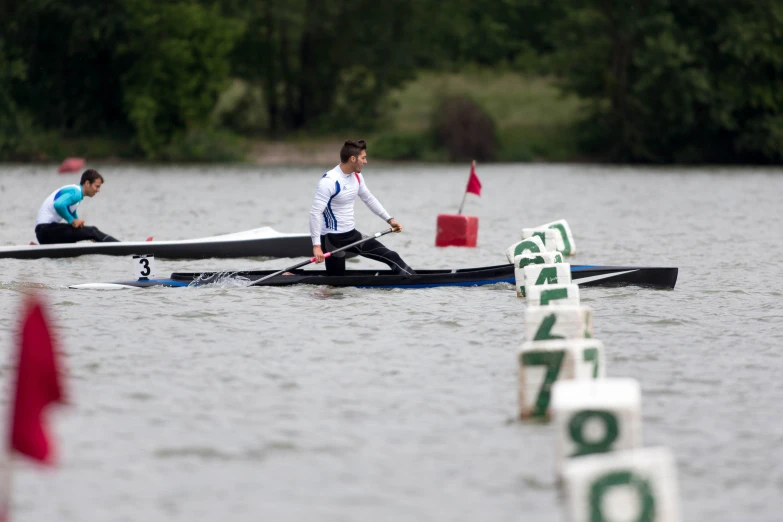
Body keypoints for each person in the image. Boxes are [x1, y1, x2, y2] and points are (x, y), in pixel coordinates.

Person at [309, 139, 415, 276]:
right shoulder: (329, 182)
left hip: (352, 235)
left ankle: (414, 280)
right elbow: (315, 213)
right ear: (353, 159)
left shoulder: (357, 177)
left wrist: (389, 219)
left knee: (392, 256)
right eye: (363, 158)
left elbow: (369, 199)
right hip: (332, 240)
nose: (366, 161)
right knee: (336, 286)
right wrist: (317, 247)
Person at [34, 169, 120, 245]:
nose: (98, 190)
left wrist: (84, 232)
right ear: (87, 183)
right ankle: (120, 247)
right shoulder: (77, 193)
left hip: (45, 232)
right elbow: (58, 205)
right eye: (97, 186)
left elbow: (72, 215)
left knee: (88, 233)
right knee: (93, 230)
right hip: (45, 230)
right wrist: (72, 221)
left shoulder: (76, 194)